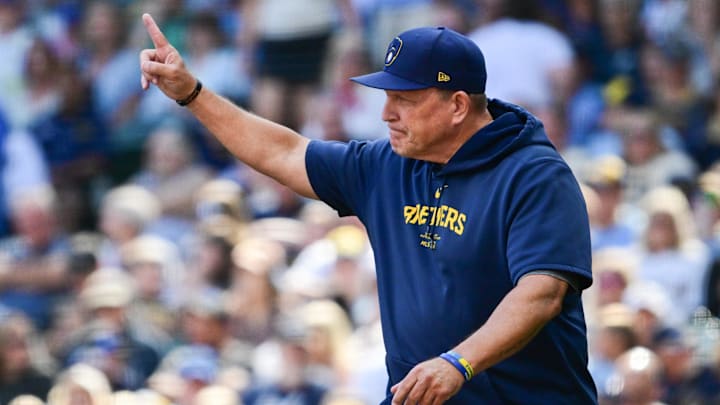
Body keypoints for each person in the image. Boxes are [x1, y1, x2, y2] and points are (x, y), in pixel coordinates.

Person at [140, 15, 597, 404]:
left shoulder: (535, 175)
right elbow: (282, 153)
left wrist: (460, 363)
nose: (386, 114)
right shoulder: (387, 165)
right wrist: (192, 93)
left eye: (406, 100)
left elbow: (542, 293)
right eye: (386, 97)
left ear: (458, 105)